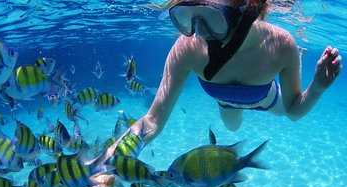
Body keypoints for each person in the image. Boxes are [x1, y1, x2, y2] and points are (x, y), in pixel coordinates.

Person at [103, 0, 342, 159]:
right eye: (190, 17)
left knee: (278, 110)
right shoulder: (187, 48)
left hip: (267, 97)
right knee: (232, 126)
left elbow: (293, 111)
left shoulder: (280, 44)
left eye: (212, 19)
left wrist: (318, 88)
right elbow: (152, 121)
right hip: (226, 103)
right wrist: (102, 163)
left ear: (248, 12)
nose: (200, 32)